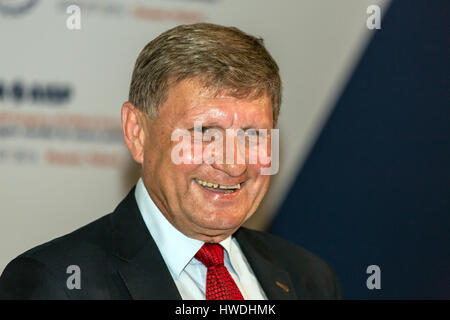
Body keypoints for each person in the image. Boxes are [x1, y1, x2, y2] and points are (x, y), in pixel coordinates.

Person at [0, 23, 342, 300]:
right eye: (205, 131)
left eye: (253, 135)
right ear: (138, 134)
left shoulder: (310, 279)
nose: (234, 164)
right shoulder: (54, 284)